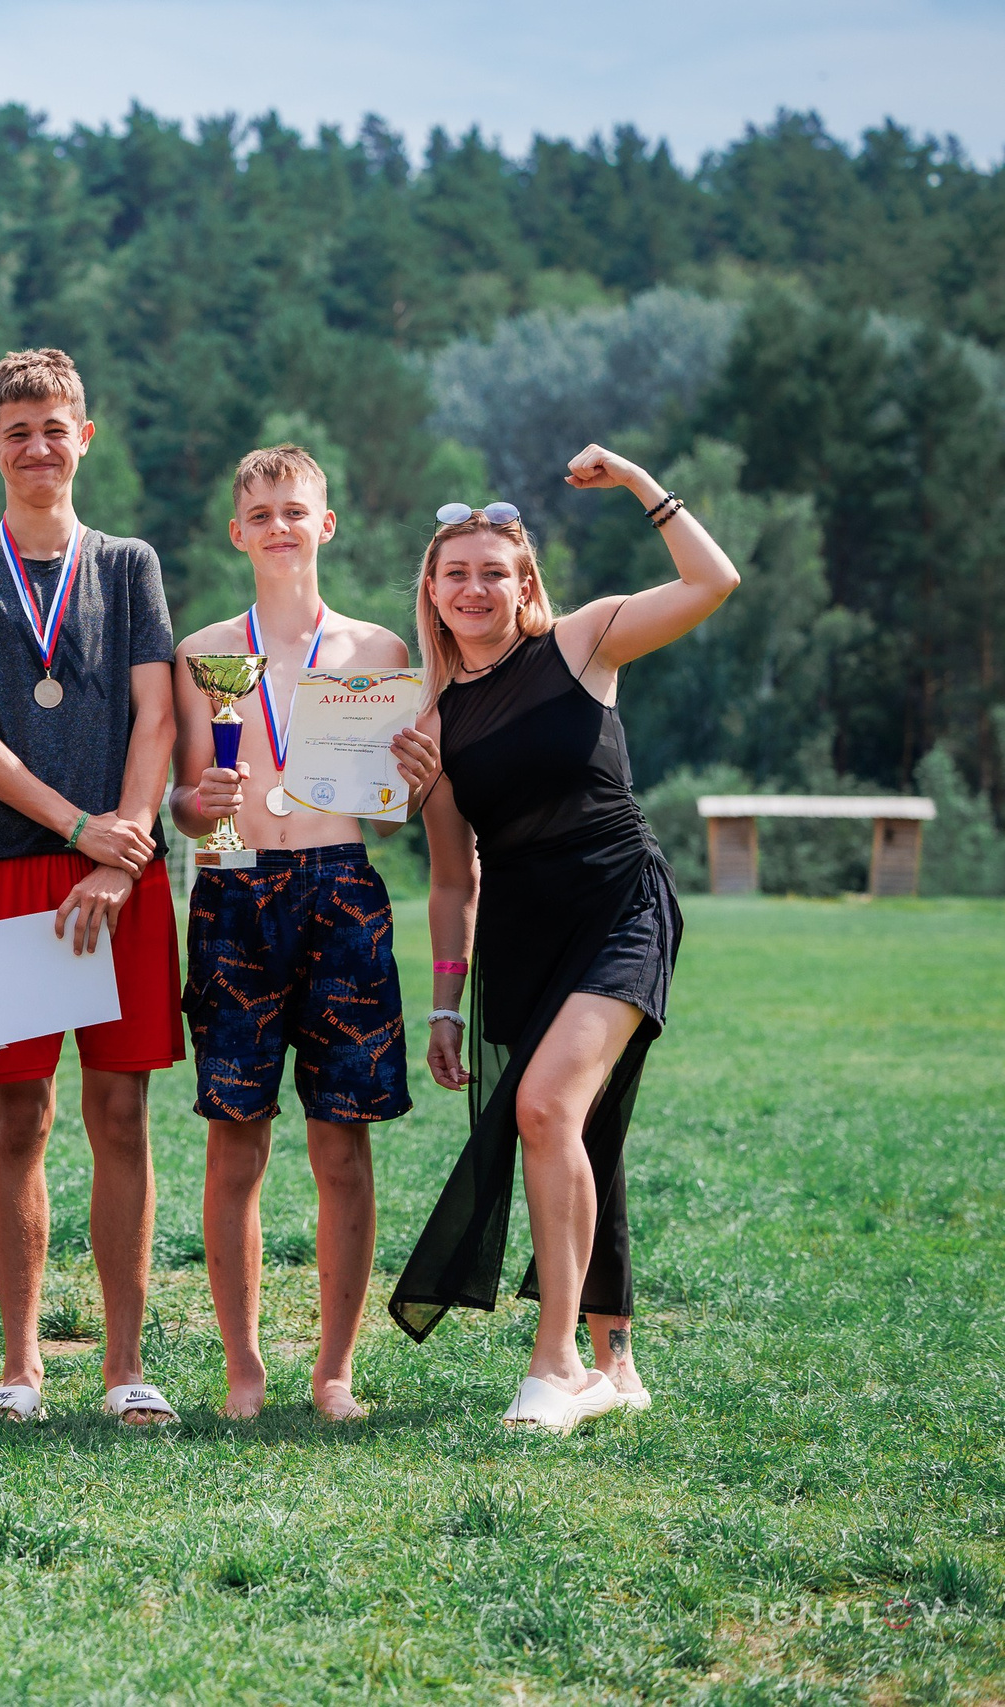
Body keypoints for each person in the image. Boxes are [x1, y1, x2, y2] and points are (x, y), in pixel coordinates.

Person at [386, 445, 739, 1433]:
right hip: (519, 936)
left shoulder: (583, 644)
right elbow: (452, 877)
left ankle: (556, 1365)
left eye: (492, 570)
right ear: (432, 586)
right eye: (453, 572)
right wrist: (447, 1001)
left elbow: (713, 582)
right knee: (577, 1127)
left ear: (523, 581)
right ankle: (613, 1356)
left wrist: (633, 479)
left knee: (545, 1109)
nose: (472, 587)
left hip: (621, 905)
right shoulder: (433, 720)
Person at [0, 348, 182, 1426]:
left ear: (86, 436)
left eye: (54, 426)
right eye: (16, 429)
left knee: (121, 1112)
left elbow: (157, 717)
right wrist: (77, 829)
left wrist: (119, 851)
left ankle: (124, 1367)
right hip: (14, 868)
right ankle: (20, 1367)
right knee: (17, 1116)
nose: (37, 445)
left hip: (123, 871)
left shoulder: (127, 565)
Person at [167, 445, 414, 1422]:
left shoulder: (378, 652)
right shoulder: (200, 653)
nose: (278, 525)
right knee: (235, 1140)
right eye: (259, 513)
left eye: (294, 509)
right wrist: (200, 798)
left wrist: (412, 777)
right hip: (231, 886)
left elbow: (388, 814)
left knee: (341, 1143)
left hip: (341, 888)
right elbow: (188, 808)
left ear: (327, 523)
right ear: (237, 533)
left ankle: (335, 1371)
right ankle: (244, 1370)